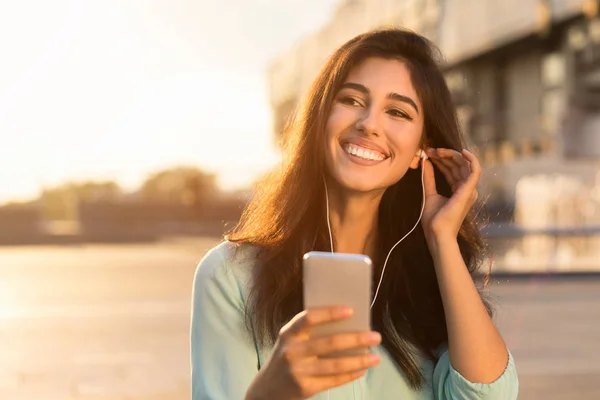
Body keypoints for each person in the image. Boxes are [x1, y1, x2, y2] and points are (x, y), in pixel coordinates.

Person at [190, 28, 519, 399]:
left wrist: (442, 239)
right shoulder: (231, 276)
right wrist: (271, 391)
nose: (369, 124)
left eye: (397, 112)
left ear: (419, 152)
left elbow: (487, 395)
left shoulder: (428, 282)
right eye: (351, 100)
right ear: (321, 119)